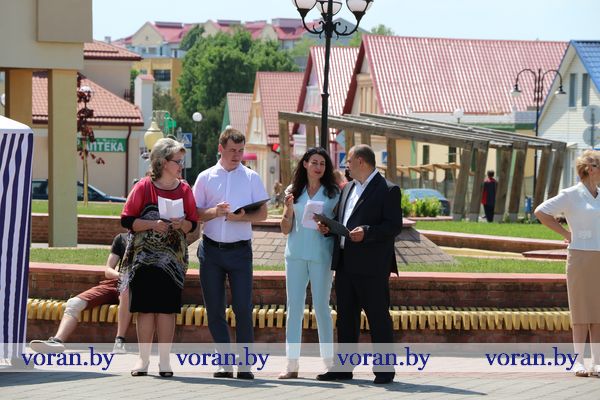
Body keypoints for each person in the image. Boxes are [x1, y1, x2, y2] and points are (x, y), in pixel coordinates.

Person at [317, 144, 403, 385]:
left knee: (378, 317)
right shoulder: (348, 188)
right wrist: (328, 228)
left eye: (349, 161)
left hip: (372, 267)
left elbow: (393, 226)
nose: (346, 166)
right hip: (345, 264)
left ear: (361, 162)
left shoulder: (388, 190)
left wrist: (367, 232)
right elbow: (342, 220)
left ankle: (384, 370)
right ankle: (344, 368)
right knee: (346, 318)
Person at [192, 127, 268, 380]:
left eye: (241, 150)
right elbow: (195, 214)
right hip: (211, 251)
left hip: (240, 252)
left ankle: (245, 365)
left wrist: (242, 217)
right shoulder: (205, 177)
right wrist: (215, 212)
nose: (237, 155)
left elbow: (263, 214)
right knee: (214, 309)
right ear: (220, 149)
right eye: (232, 150)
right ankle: (224, 362)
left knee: (243, 308)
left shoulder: (251, 177)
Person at [120, 138, 198, 378]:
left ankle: (165, 361)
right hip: (144, 259)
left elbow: (193, 224)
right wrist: (153, 224)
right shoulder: (144, 187)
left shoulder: (184, 189)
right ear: (163, 162)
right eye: (178, 161)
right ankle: (143, 360)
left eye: (182, 161)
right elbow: (127, 220)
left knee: (166, 310)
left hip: (172, 262)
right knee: (145, 310)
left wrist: (182, 224)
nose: (181, 165)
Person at [535, 150, 600, 377]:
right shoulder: (571, 194)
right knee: (581, 310)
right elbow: (541, 212)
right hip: (580, 256)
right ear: (590, 169)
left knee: (598, 311)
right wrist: (566, 234)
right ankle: (578, 361)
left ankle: (597, 362)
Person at [279, 148, 340, 379]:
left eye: (322, 164)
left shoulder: (333, 193)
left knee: (322, 307)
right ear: (305, 164)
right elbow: (285, 229)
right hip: (295, 255)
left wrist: (327, 227)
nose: (318, 167)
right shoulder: (293, 191)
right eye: (314, 162)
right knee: (294, 308)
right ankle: (292, 364)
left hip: (321, 255)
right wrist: (288, 209)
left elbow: (336, 226)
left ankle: (328, 363)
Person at [29, 233, 131, 354]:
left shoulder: (150, 240)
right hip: (115, 282)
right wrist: (121, 276)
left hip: (135, 286)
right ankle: (57, 341)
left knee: (126, 295)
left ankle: (120, 342)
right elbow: (108, 270)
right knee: (74, 303)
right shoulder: (121, 238)